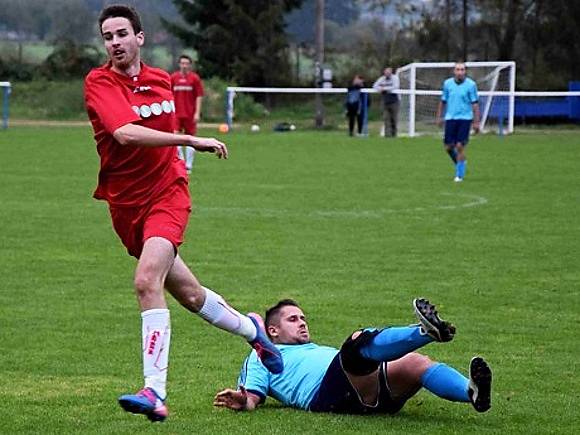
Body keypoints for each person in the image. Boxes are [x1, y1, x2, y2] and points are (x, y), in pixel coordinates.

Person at [84, 4, 283, 423]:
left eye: (122, 34)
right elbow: (124, 133)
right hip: (126, 206)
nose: (115, 42)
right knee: (191, 296)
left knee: (145, 281)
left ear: (140, 38)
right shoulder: (99, 82)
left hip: (167, 196)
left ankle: (154, 392)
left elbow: (155, 141)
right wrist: (189, 139)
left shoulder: (160, 80)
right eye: (108, 36)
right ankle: (254, 332)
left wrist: (185, 144)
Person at [214, 298, 492, 415]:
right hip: (328, 396)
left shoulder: (310, 349)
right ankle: (425, 332)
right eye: (293, 319)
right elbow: (251, 397)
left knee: (416, 363)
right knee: (356, 344)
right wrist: (244, 400)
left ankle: (471, 392)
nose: (302, 322)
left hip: (361, 389)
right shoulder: (260, 355)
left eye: (303, 318)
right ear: (272, 331)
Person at [436, 62, 480, 182]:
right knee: (448, 147)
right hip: (450, 118)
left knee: (460, 146)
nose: (460, 72)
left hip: (465, 119)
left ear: (465, 71)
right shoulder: (447, 84)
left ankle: (459, 175)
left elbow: (475, 104)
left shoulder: (471, 85)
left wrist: (476, 122)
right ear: (454, 71)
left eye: (462, 70)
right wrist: (439, 117)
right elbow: (443, 101)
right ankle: (461, 162)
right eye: (457, 69)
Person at [171, 54, 204, 173]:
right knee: (175, 138)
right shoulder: (173, 78)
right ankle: (181, 162)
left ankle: (189, 165)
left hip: (190, 113)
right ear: (179, 64)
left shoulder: (194, 78)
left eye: (186, 63)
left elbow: (199, 96)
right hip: (176, 114)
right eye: (182, 63)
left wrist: (197, 113)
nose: (184, 65)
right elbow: (168, 95)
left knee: (191, 139)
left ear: (190, 65)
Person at [373, 67, 400, 137]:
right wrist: (380, 89)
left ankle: (394, 135)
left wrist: (384, 89)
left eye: (388, 73)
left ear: (391, 73)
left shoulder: (395, 78)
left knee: (394, 119)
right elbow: (375, 86)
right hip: (385, 101)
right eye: (386, 73)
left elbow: (396, 86)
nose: (387, 74)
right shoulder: (382, 79)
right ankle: (387, 135)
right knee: (386, 119)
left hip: (394, 101)